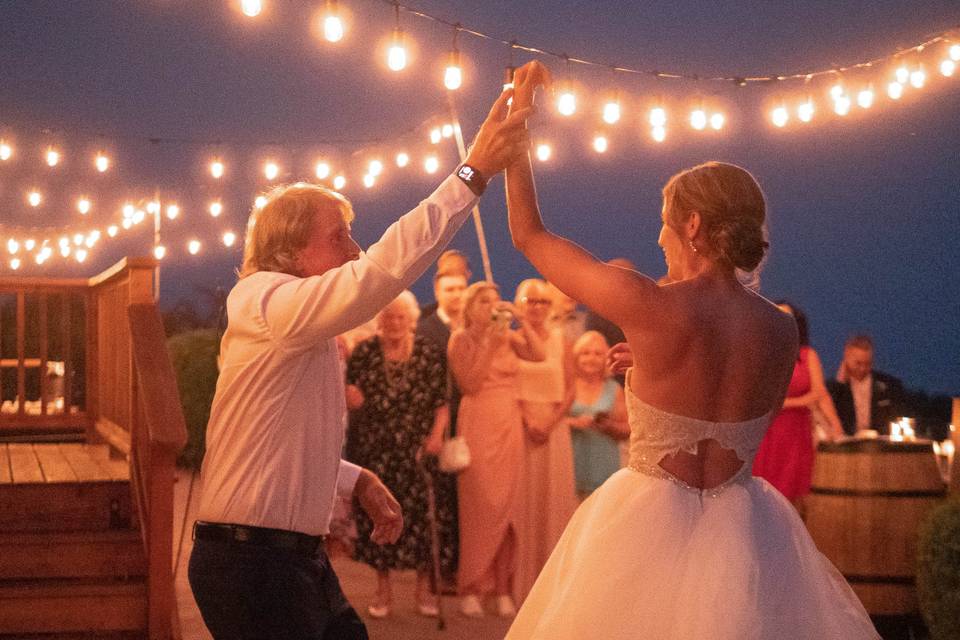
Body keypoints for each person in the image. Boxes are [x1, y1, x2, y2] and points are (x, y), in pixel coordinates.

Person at [502, 60, 879, 639]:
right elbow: (737, 402)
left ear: (694, 226)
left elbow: (529, 233)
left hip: (645, 521)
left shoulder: (648, 304)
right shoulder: (781, 332)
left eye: (665, 224)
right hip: (748, 528)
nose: (659, 238)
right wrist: (653, 365)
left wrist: (516, 125)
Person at [186, 76, 536, 640]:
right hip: (249, 565)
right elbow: (377, 273)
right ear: (289, 250)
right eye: (339, 236)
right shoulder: (261, 299)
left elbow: (279, 442)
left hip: (294, 560)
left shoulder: (301, 330)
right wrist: (471, 174)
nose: (353, 249)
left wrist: (354, 478)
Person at [344, 291, 454, 619]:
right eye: (387, 317)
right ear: (379, 321)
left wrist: (436, 437)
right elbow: (349, 392)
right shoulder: (364, 352)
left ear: (411, 320)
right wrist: (351, 397)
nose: (393, 323)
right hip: (375, 450)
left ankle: (423, 589)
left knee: (423, 518)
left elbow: (442, 402)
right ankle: (383, 589)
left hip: (417, 450)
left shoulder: (428, 352)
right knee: (380, 516)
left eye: (400, 317)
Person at [449, 280, 545, 618]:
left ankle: (503, 588)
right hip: (478, 421)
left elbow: (539, 353)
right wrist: (488, 342)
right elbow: (470, 383)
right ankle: (472, 585)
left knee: (507, 508)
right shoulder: (460, 339)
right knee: (480, 508)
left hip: (508, 422)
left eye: (495, 301)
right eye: (484, 302)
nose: (491, 307)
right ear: (471, 308)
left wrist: (521, 319)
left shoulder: (509, 336)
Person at [512, 278, 578, 606]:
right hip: (521, 425)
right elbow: (507, 382)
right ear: (519, 303)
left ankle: (551, 583)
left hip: (554, 429)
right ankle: (517, 584)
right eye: (530, 300)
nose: (536, 307)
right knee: (522, 502)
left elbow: (570, 390)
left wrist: (549, 423)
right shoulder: (512, 339)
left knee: (552, 502)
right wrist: (528, 420)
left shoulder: (562, 340)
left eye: (542, 302)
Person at [752, 301, 844, 512]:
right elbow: (761, 395)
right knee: (766, 492)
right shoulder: (762, 353)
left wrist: (836, 425)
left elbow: (819, 393)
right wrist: (798, 401)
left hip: (797, 432)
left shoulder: (807, 355)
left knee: (794, 493)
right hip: (771, 431)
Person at [567, 330, 629, 500]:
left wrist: (607, 426)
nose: (591, 358)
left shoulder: (614, 389)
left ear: (606, 359)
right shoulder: (566, 386)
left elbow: (628, 430)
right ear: (575, 357)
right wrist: (572, 422)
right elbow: (551, 420)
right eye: (585, 353)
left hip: (603, 464)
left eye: (597, 354)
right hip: (569, 465)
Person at [827, 334, 904, 436]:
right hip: (847, 446)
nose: (863, 368)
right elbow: (829, 415)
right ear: (846, 358)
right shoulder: (835, 388)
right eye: (858, 363)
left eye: (867, 363)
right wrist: (839, 384)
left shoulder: (889, 385)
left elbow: (898, 418)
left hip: (880, 445)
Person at [419, 249, 471, 320]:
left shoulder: (478, 317)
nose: (457, 295)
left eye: (461, 288)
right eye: (450, 290)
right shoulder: (421, 319)